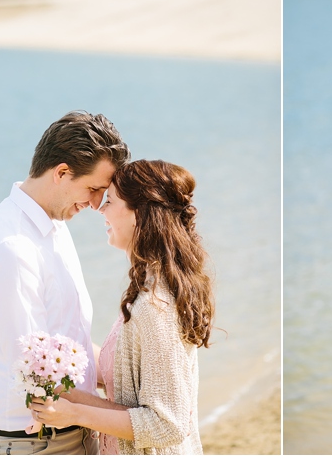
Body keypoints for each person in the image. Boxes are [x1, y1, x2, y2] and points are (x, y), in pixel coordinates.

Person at [0, 111, 130, 454]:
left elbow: (72, 344)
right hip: (33, 446)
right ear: (62, 172)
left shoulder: (54, 227)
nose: (97, 203)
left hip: (72, 435)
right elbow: (40, 377)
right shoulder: (11, 248)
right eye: (93, 188)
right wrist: (134, 421)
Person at [29, 159, 214, 455]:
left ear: (138, 215)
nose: (100, 208)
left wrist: (74, 413)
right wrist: (56, 349)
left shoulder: (154, 308)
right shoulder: (151, 288)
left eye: (111, 200)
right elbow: (131, 371)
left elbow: (168, 424)